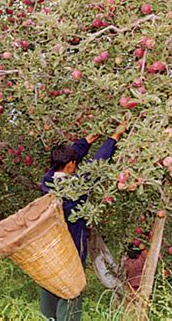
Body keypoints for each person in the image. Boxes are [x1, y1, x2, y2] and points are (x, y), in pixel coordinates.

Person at [40, 124, 127, 321]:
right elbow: (98, 163)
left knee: (51, 276)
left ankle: (48, 316)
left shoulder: (48, 180)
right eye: (75, 163)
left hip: (50, 242)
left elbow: (67, 161)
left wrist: (86, 141)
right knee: (72, 284)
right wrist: (114, 136)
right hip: (71, 241)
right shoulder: (76, 186)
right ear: (71, 165)